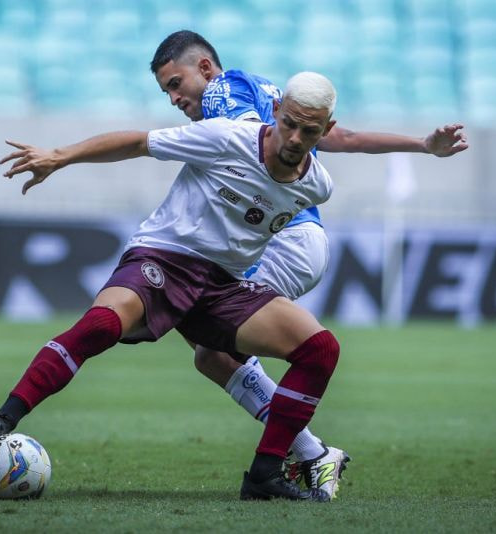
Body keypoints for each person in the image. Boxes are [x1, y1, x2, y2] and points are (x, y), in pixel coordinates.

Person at [0, 72, 344, 502]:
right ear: (276, 111)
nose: (295, 137)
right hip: (163, 258)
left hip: (224, 287)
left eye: (309, 130)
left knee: (321, 350)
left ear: (326, 130)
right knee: (102, 325)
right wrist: (60, 156)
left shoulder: (318, 186)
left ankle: (265, 474)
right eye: (289, 122)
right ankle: (4, 418)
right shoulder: (226, 137)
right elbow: (138, 143)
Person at [147, 30, 469, 494]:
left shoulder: (224, 95)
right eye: (166, 92)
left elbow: (248, 158)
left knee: (210, 340)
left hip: (284, 238)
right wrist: (422, 144)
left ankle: (313, 455)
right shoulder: (270, 94)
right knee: (210, 353)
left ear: (204, 69)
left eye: (176, 84)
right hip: (295, 240)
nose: (174, 98)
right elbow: (349, 137)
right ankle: (311, 454)